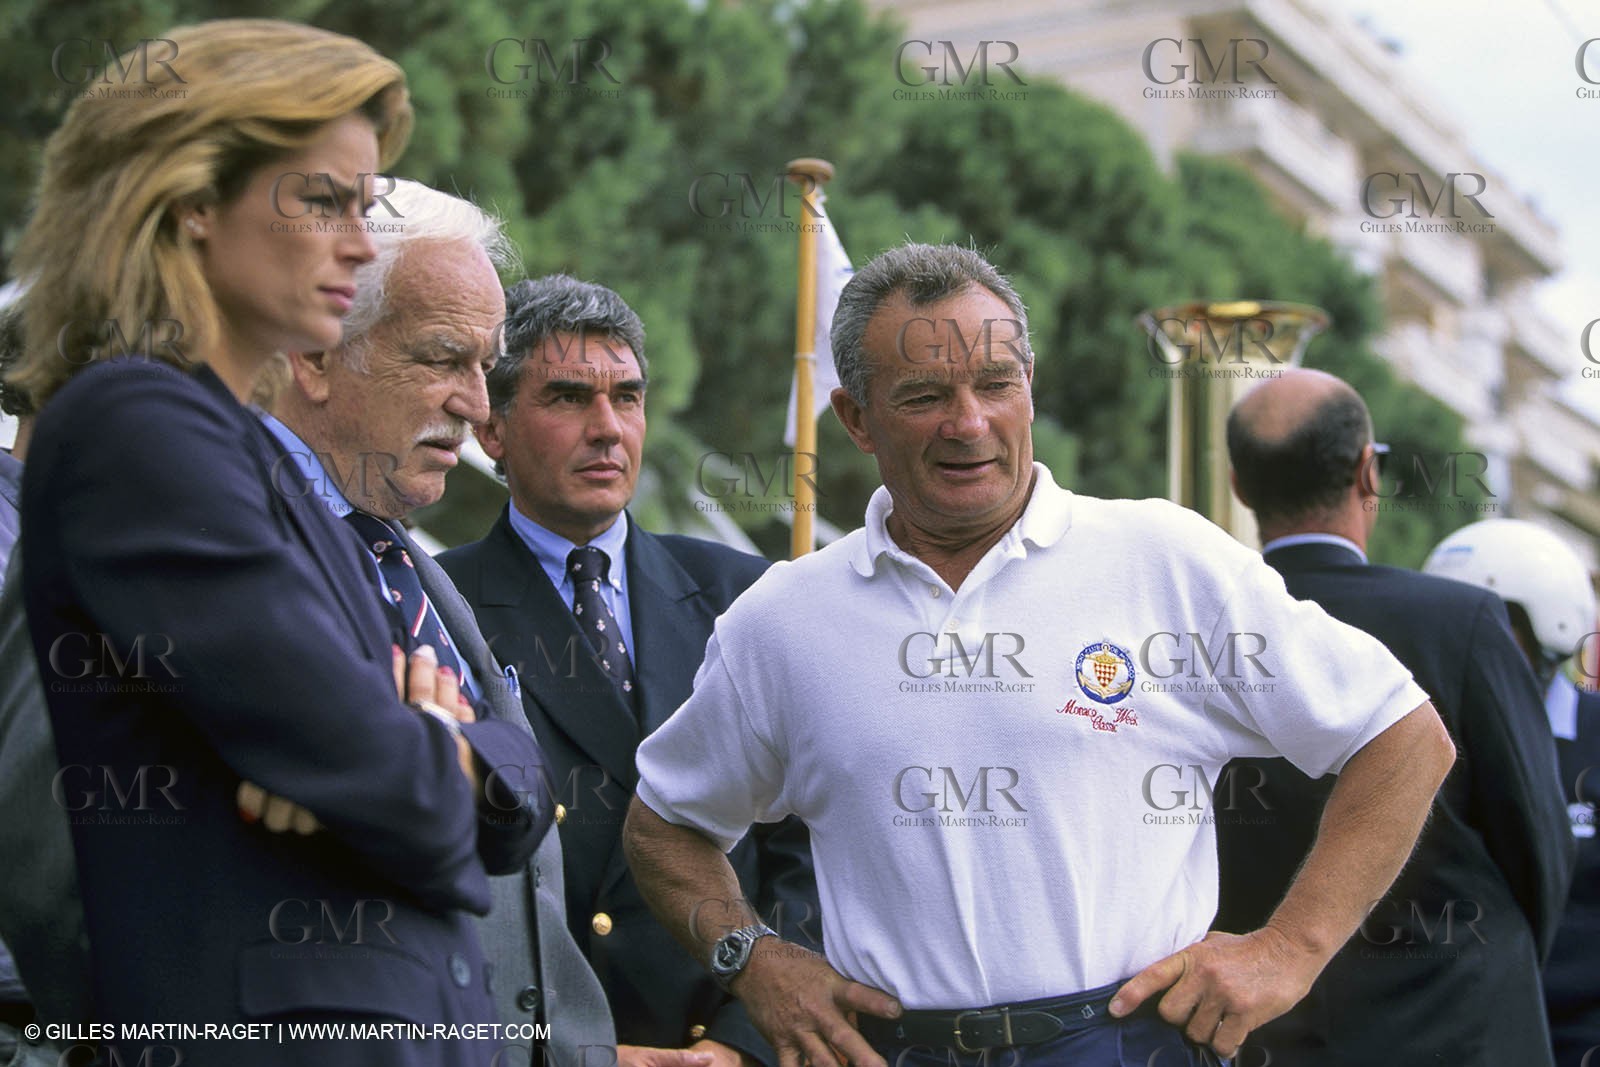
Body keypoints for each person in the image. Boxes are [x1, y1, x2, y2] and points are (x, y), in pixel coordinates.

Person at [621, 242, 1455, 1067]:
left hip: (1130, 1044)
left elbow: (1404, 735)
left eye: (995, 383)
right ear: (855, 419)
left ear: (1030, 387)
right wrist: (754, 960)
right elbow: (664, 826)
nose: (969, 422)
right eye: (923, 395)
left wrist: (1291, 949)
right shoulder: (781, 620)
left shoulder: (1163, 558)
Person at [7, 21, 548, 1067]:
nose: (356, 239)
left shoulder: (295, 492)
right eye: (324, 200)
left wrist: (406, 756)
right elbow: (407, 797)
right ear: (192, 202)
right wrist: (414, 754)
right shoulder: (137, 427)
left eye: (365, 204)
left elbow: (460, 792)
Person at [438, 276, 819, 1065]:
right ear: (493, 430)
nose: (608, 429)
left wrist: (744, 1041)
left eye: (629, 397)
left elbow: (807, 848)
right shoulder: (439, 607)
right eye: (569, 399)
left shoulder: (744, 594)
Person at [1217, 369, 1572, 1064]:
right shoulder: (1461, 620)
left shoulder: (1195, 631)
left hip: (1264, 1038)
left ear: (1238, 485)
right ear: (1366, 473)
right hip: (1461, 1029)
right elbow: (1538, 839)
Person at [1422, 519, 1600, 1067]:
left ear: (1552, 629)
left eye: (1497, 629)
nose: (1471, 645)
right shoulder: (1417, 740)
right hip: (1452, 1033)